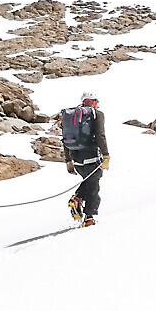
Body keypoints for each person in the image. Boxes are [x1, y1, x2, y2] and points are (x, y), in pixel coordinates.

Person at [65, 91, 109, 227]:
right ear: (93, 101)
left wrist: (68, 160)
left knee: (89, 181)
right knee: (94, 186)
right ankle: (89, 218)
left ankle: (78, 198)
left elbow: (65, 138)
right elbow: (100, 135)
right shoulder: (96, 114)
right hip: (91, 156)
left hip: (76, 158)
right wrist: (106, 154)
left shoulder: (72, 116)